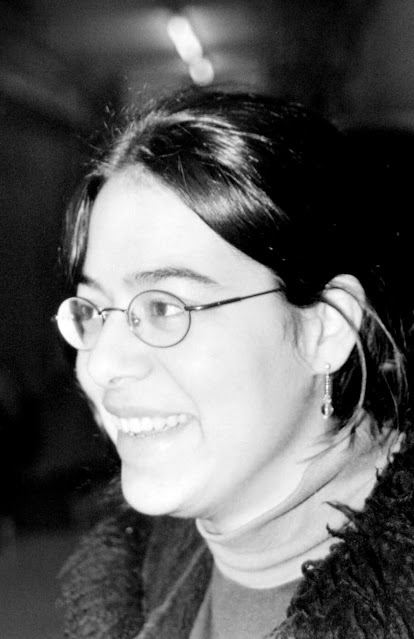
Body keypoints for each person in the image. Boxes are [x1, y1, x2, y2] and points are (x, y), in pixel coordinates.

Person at [56, 86, 414, 638]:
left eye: (164, 308)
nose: (101, 364)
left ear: (326, 329)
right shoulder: (139, 580)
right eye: (95, 310)